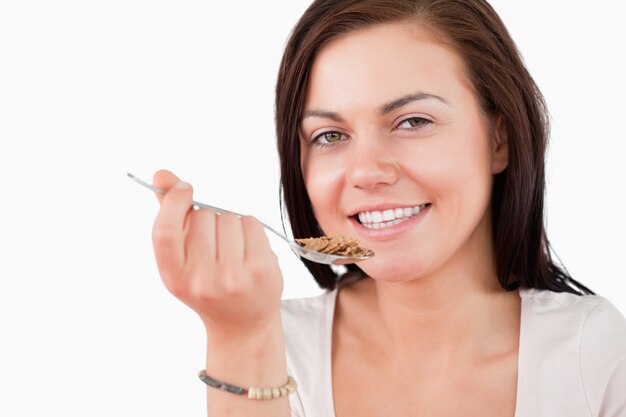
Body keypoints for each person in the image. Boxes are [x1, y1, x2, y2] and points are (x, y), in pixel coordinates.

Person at [149, 0, 626, 416]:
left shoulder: (592, 354)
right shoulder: (275, 350)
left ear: (498, 139)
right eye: (330, 135)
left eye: (413, 121)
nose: (367, 171)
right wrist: (241, 339)